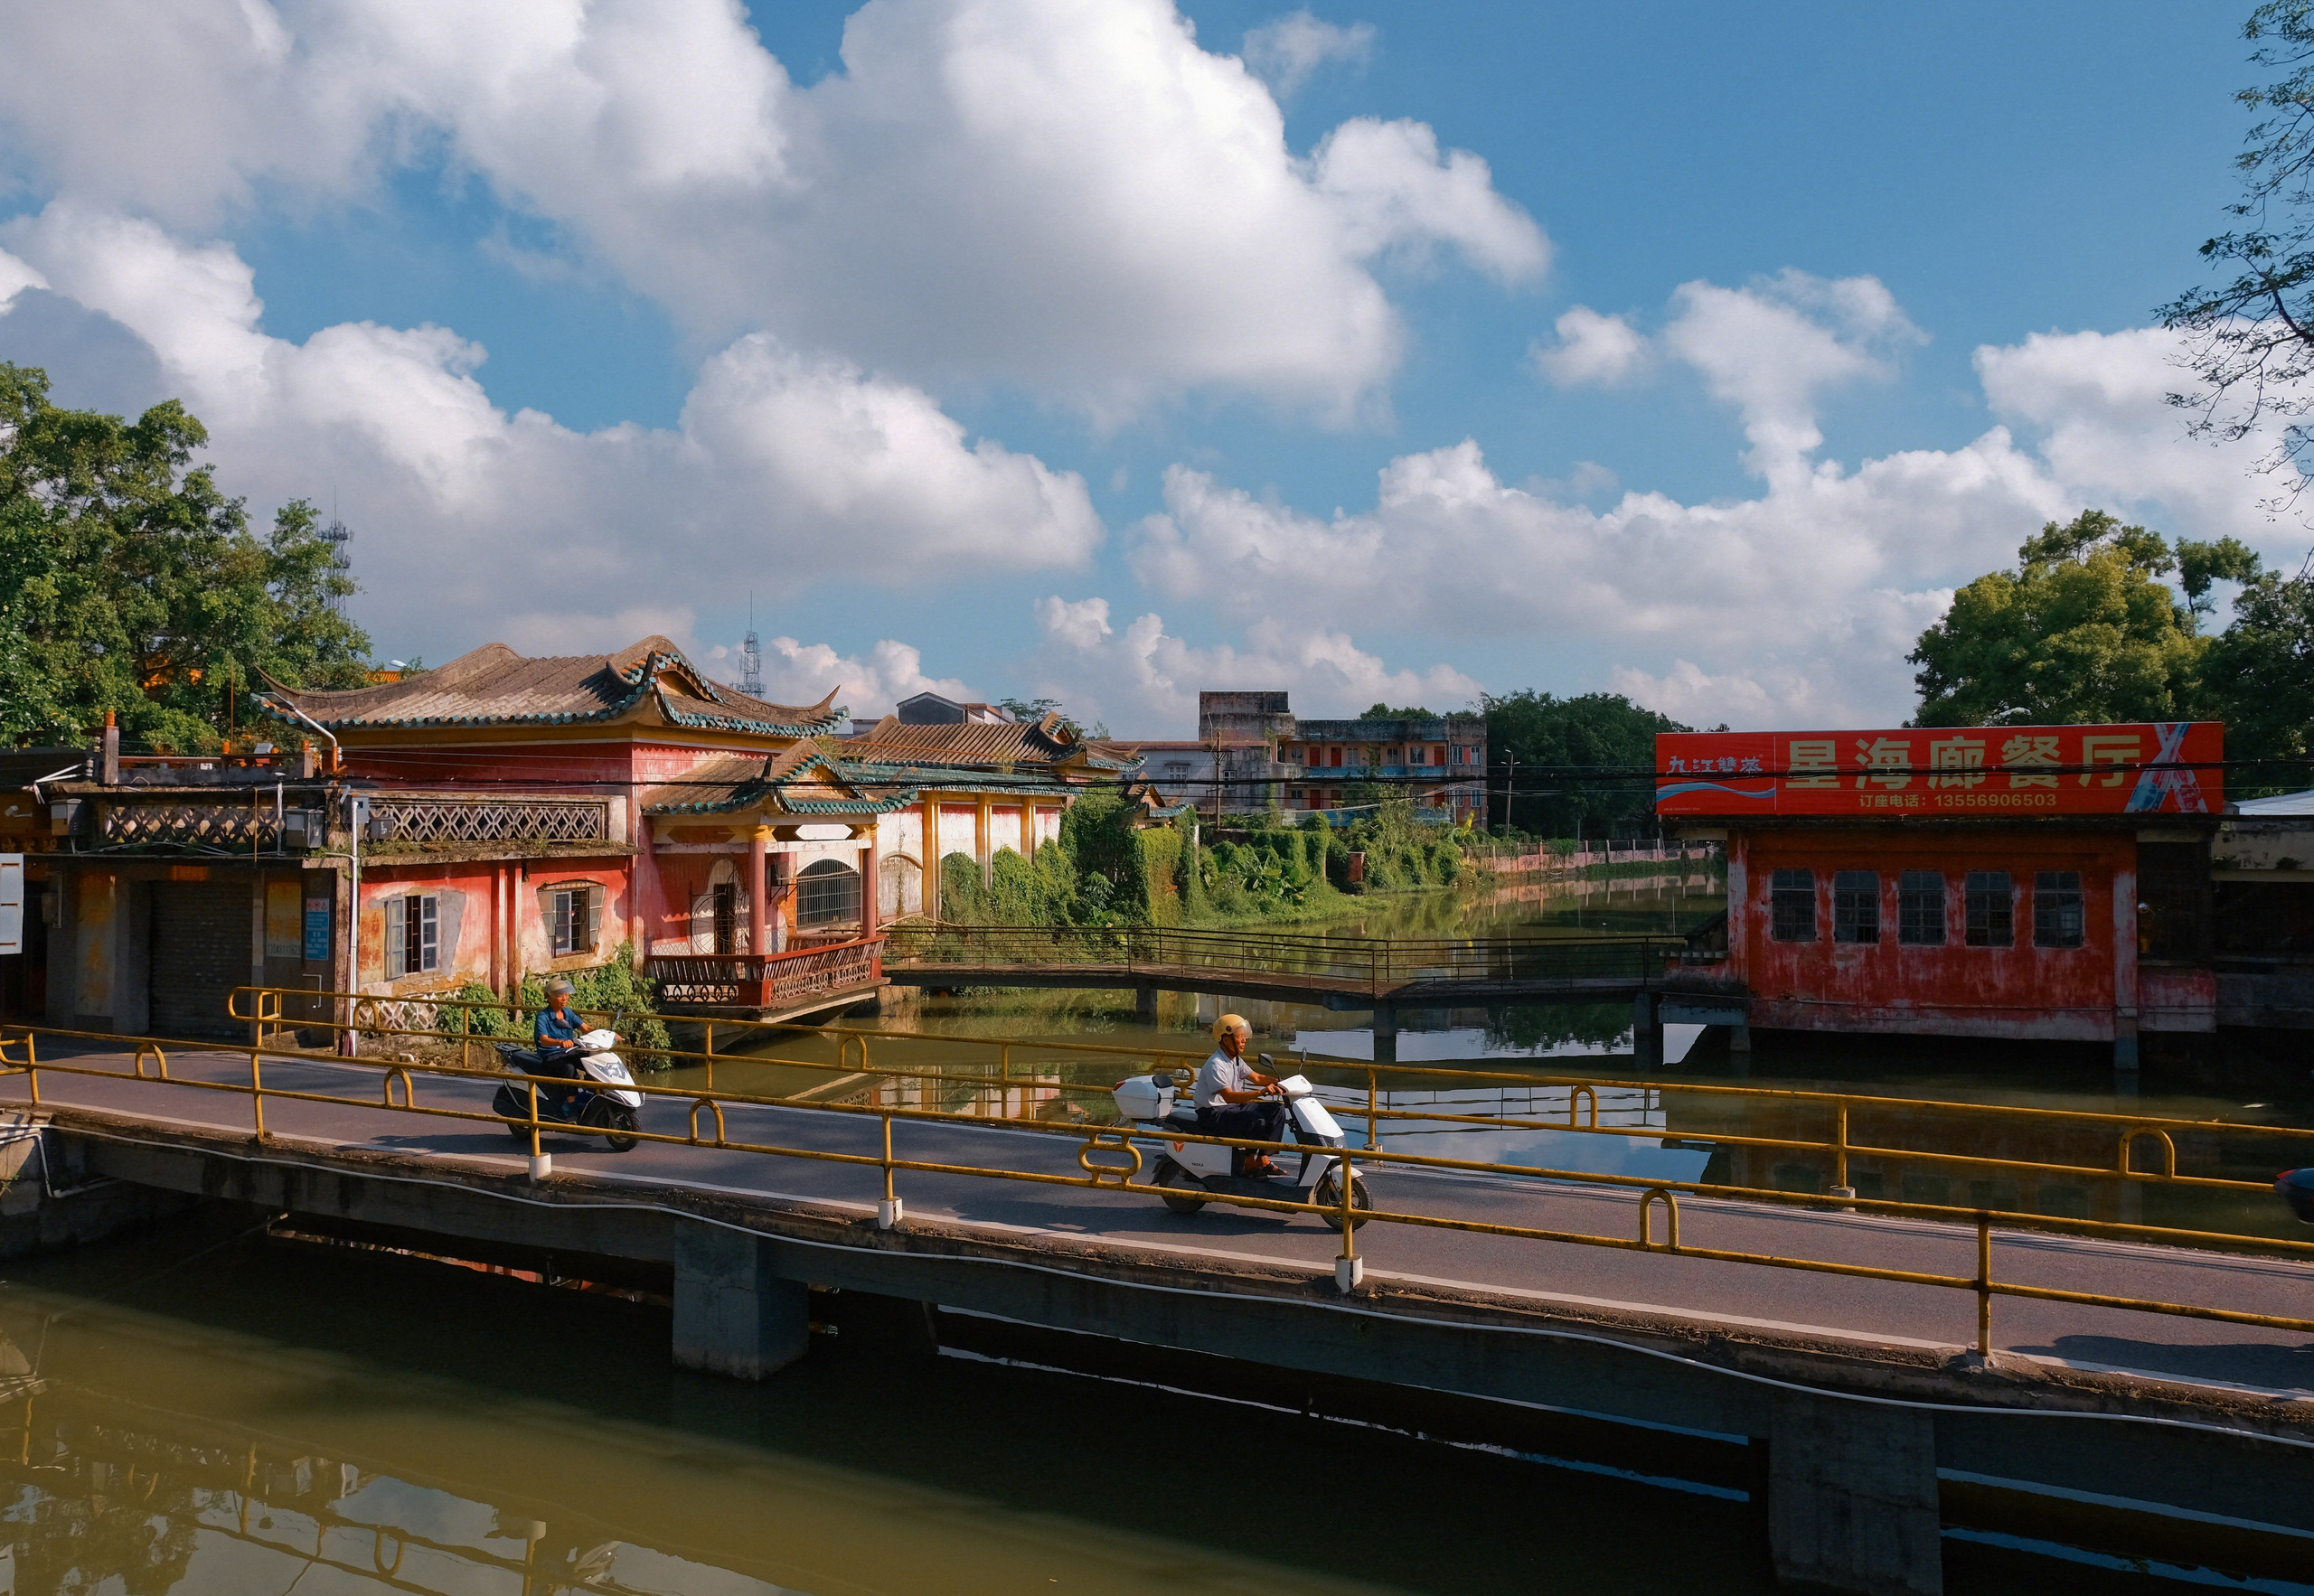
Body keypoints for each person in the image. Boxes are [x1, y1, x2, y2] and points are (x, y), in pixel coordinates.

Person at [1193, 1014, 1284, 1178]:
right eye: (1239, 1037)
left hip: (1231, 1108)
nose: (1244, 1041)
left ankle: (1262, 1158)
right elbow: (1228, 1097)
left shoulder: (1235, 1060)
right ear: (1225, 1039)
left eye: (1244, 1037)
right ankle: (1248, 1162)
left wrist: (1282, 1083)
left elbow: (1256, 1078)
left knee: (1276, 1110)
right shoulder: (1216, 1064)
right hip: (1212, 1113)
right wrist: (1260, 1092)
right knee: (1255, 1119)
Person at [531, 979, 615, 1115]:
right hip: (551, 1055)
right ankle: (570, 1107)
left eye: (566, 994)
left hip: (570, 1051)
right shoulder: (543, 1016)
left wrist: (607, 1034)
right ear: (549, 998)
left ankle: (597, 1091)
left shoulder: (568, 1013)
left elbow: (586, 1028)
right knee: (569, 1070)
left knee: (592, 1061)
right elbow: (543, 1040)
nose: (564, 998)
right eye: (559, 995)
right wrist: (560, 1042)